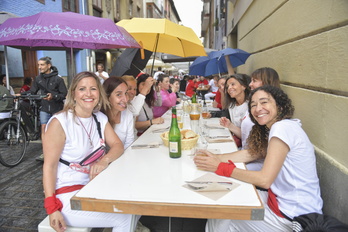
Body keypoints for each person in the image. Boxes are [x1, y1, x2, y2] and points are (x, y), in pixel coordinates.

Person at [194, 85, 323, 232]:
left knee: (222, 211)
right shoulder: (282, 126)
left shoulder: (282, 128)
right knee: (227, 195)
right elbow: (251, 153)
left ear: (279, 105)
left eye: (264, 102)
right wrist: (217, 158)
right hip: (281, 202)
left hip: (292, 217)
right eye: (253, 105)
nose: (258, 108)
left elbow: (264, 180)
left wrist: (220, 166)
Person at [42, 71, 138, 231]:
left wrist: (103, 161)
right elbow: (49, 167)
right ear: (73, 93)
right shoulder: (60, 122)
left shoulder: (99, 118)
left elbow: (117, 145)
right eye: (82, 89)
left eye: (93, 89)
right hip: (68, 194)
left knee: (134, 200)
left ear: (99, 94)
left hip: (93, 187)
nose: (88, 94)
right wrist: (52, 208)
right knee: (125, 217)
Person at [28, 56, 67, 161]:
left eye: (42, 65)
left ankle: (59, 152)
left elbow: (64, 94)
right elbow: (32, 91)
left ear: (49, 65)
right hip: (44, 108)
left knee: (57, 131)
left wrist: (53, 96)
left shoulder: (58, 79)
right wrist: (21, 95)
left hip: (57, 109)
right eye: (38, 65)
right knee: (44, 130)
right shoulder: (38, 79)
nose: (39, 67)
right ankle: (45, 153)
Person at [102, 77, 134, 149]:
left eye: (126, 93)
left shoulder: (127, 113)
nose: (125, 99)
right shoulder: (99, 117)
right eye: (119, 94)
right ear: (107, 97)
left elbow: (129, 143)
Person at [219, 74, 250, 147]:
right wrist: (229, 125)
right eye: (227, 86)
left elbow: (248, 137)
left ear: (243, 86)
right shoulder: (231, 105)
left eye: (233, 84)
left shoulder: (250, 106)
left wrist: (230, 126)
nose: (229, 88)